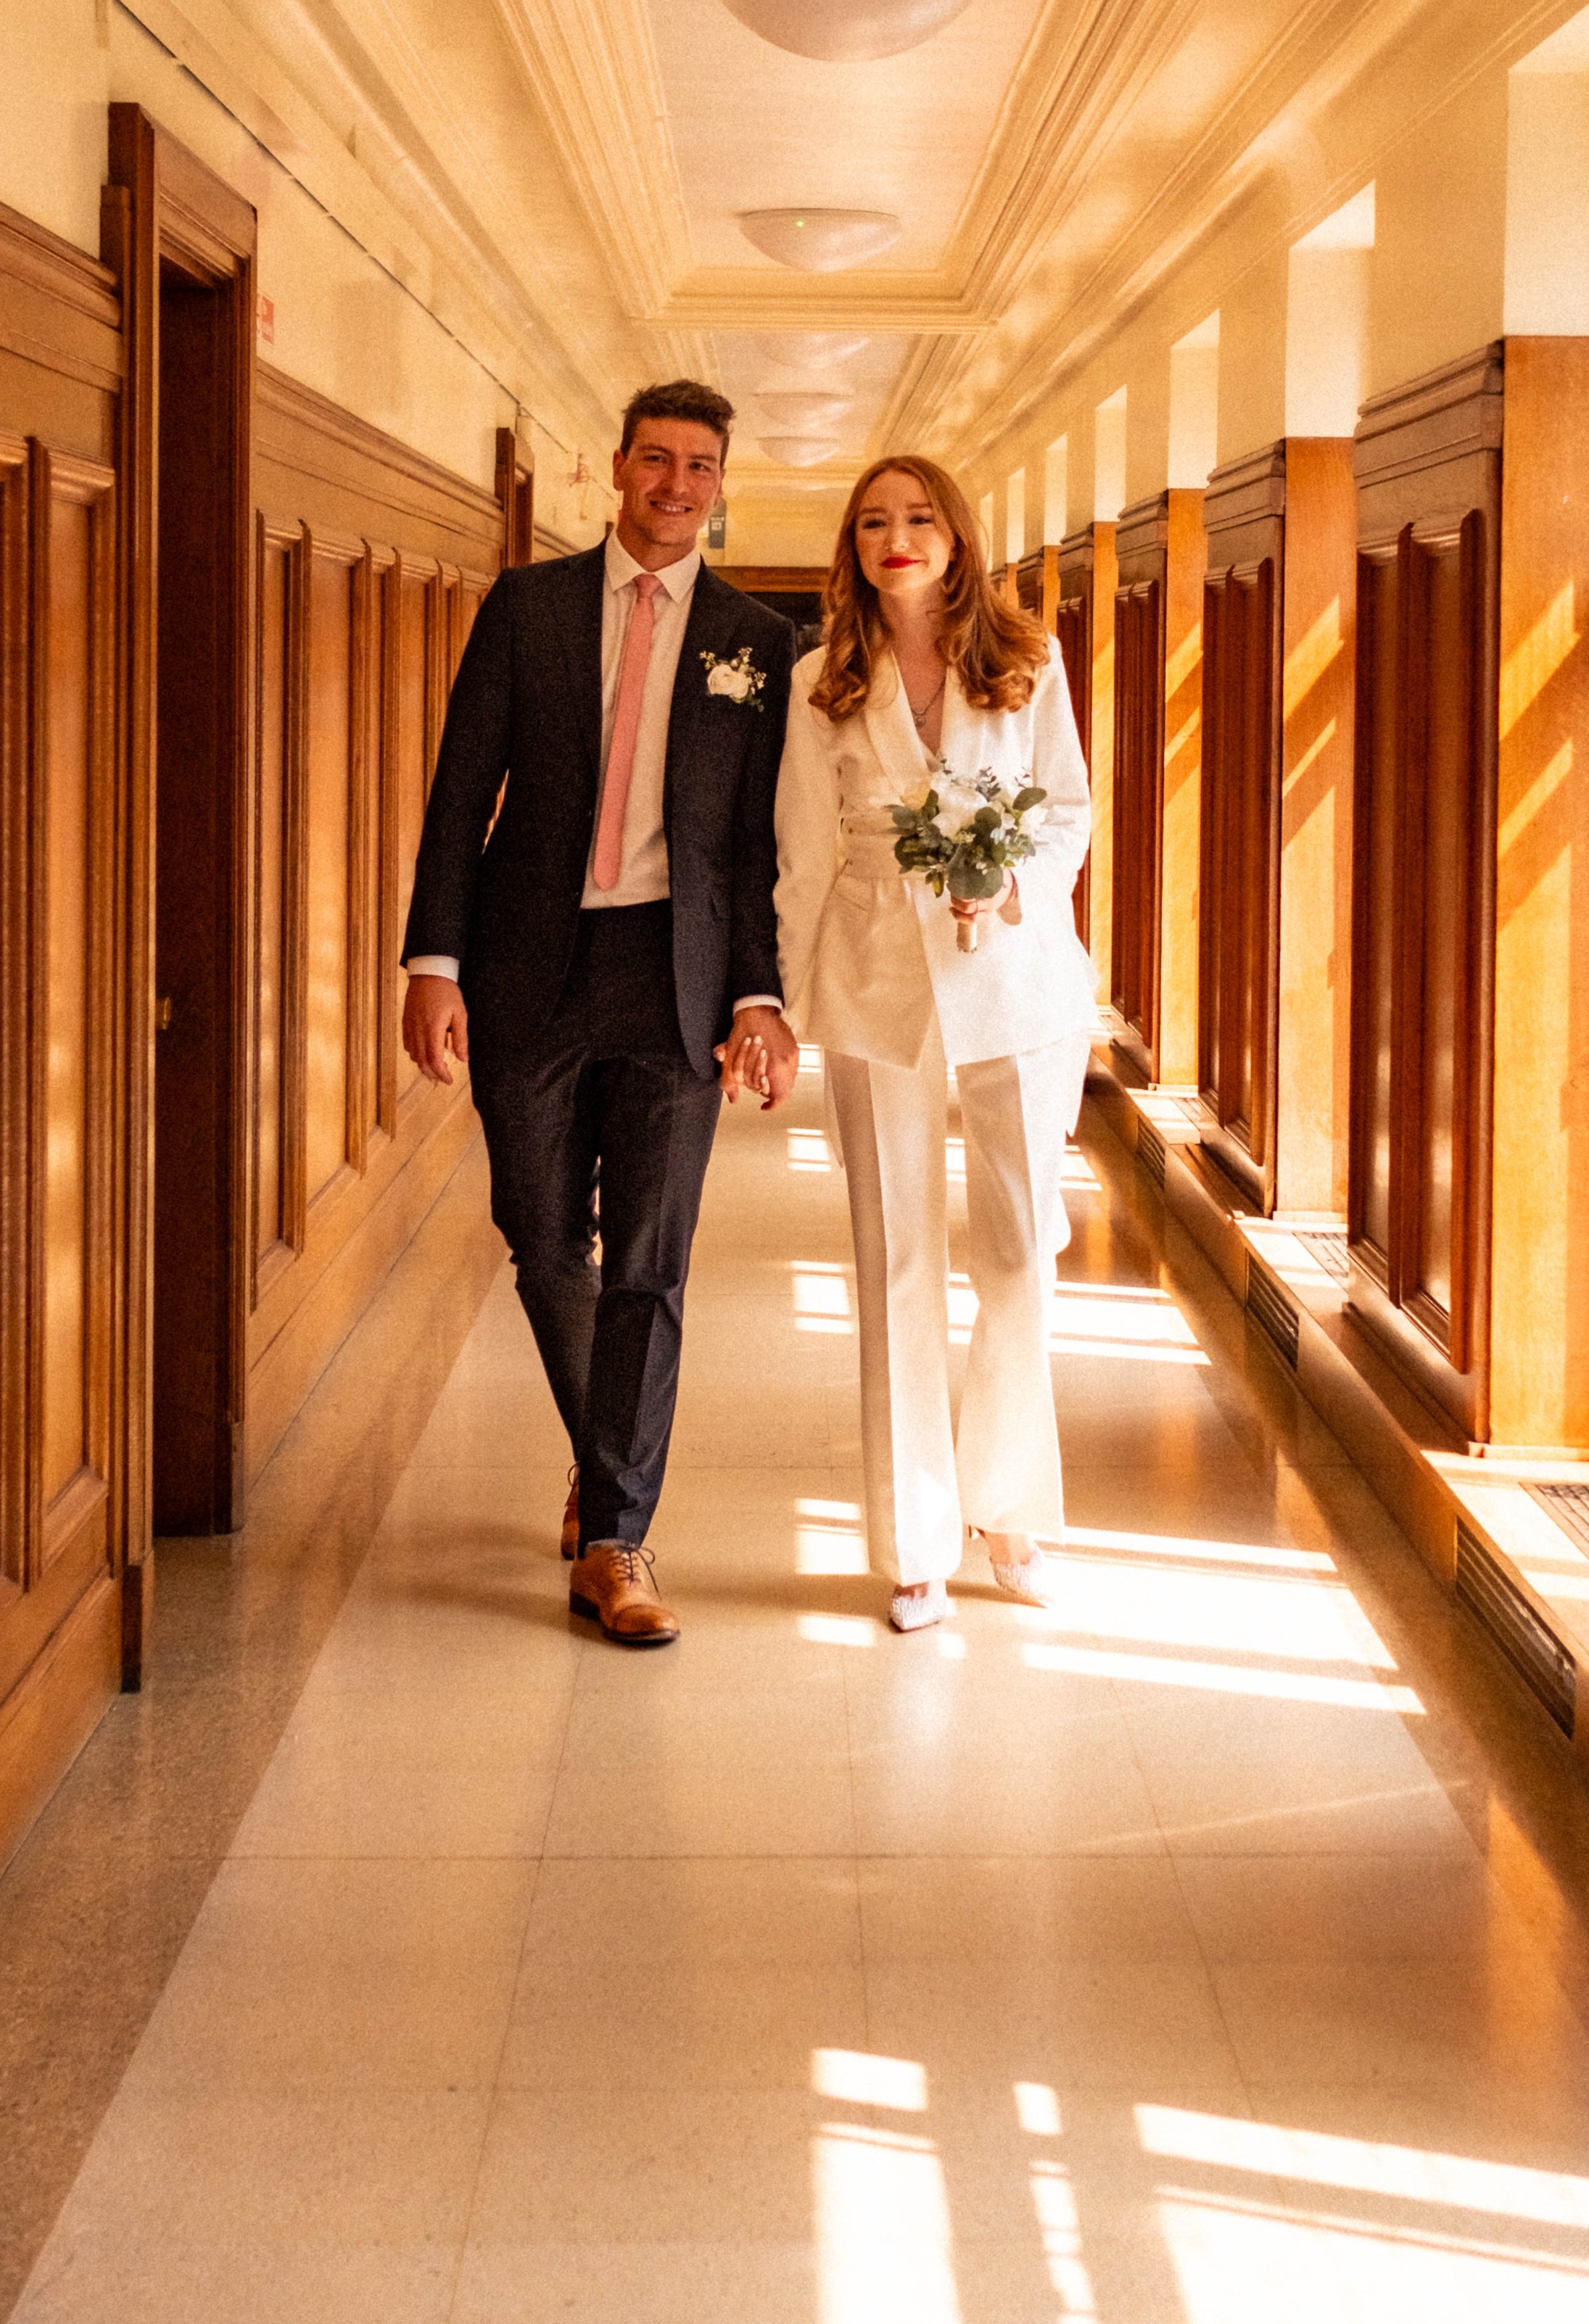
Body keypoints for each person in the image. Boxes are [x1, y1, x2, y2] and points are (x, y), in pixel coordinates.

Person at [401, 381, 798, 1645]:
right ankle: (605, 1449)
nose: (678, 484)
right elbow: (463, 786)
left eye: (701, 466)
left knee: (651, 1259)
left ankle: (619, 1535)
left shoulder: (754, 642)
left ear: (721, 483)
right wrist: (434, 958)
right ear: (615, 469)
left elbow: (752, 844)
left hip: (674, 978)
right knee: (538, 1229)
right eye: (657, 460)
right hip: (530, 962)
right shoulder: (529, 607)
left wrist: (756, 994)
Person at [774, 455, 1094, 1630]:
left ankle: (1008, 1505)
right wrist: (782, 1006)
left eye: (917, 519)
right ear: (852, 546)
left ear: (957, 537)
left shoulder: (1028, 660)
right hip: (875, 982)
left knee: (1019, 1253)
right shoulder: (823, 681)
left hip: (1013, 977)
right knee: (895, 1256)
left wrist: (1004, 877)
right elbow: (803, 850)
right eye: (872, 522)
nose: (895, 537)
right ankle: (915, 1539)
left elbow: (1068, 808)